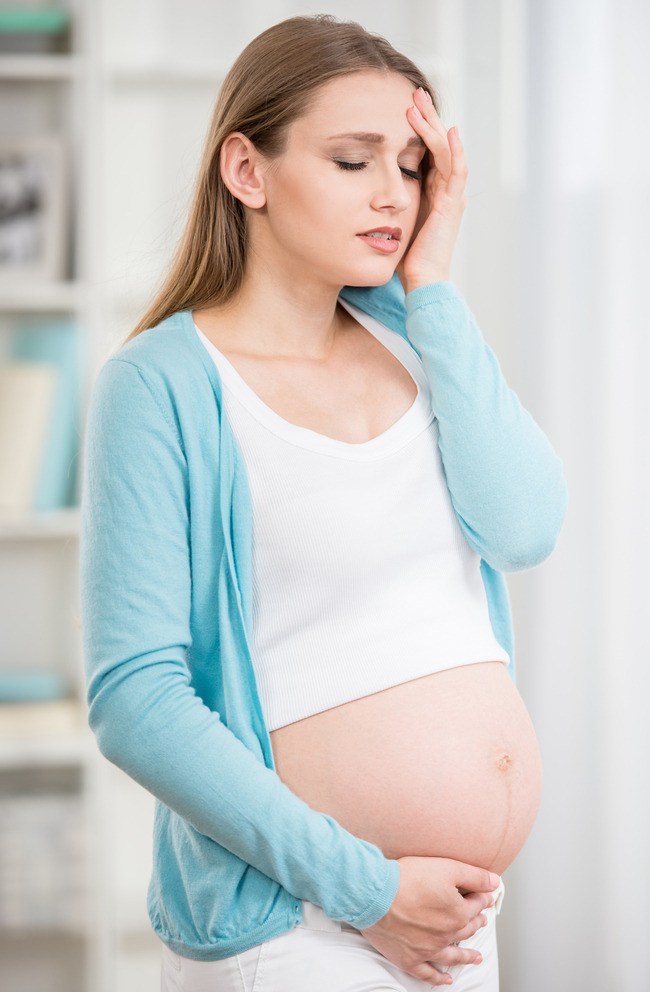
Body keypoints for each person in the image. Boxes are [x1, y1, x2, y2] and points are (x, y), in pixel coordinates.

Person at [80, 14, 566, 992]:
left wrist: (427, 285)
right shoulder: (163, 383)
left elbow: (522, 526)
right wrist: (364, 886)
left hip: (451, 918)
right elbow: (135, 700)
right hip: (302, 924)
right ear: (246, 171)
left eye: (412, 163)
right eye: (352, 160)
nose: (393, 193)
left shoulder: (414, 340)